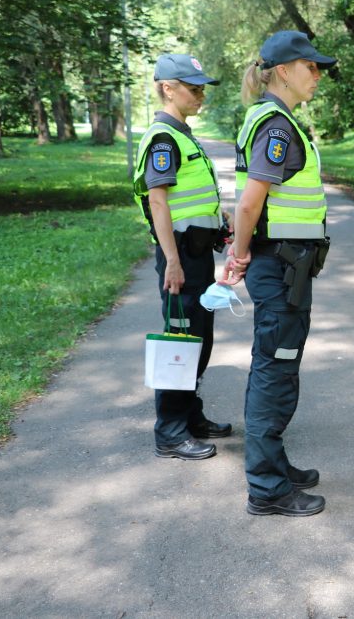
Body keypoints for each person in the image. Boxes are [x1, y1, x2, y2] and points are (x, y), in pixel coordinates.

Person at [224, 31, 336, 517]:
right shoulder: (276, 126)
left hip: (287, 267)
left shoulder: (279, 121)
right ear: (284, 70)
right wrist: (240, 255)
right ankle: (267, 489)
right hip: (279, 267)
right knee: (275, 371)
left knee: (276, 366)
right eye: (311, 67)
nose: (317, 76)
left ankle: (274, 463)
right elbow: (249, 203)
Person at [133, 54, 233, 461]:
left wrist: (219, 220)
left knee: (199, 338)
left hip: (196, 256)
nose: (201, 95)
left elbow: (191, 196)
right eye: (193, 88)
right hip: (179, 258)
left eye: (202, 88)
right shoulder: (162, 137)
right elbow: (158, 202)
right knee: (180, 341)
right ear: (167, 88)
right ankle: (170, 432)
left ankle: (191, 416)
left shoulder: (183, 134)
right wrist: (171, 261)